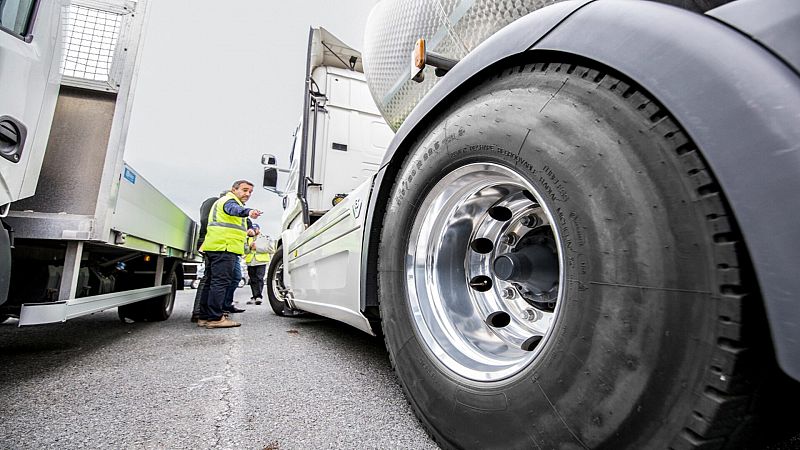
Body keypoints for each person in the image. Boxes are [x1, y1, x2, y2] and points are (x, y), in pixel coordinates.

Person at [197, 180, 262, 328]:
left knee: (211, 283)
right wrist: (249, 212)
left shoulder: (228, 201)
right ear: (234, 189)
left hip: (216, 246)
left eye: (250, 192)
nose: (248, 194)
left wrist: (250, 228)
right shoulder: (229, 201)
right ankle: (215, 318)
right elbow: (233, 210)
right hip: (224, 248)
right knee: (220, 283)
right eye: (244, 190)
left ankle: (204, 317)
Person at [190, 192, 227, 322]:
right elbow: (207, 221)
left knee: (210, 277)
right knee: (209, 277)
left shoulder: (210, 202)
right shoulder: (216, 202)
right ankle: (200, 312)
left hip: (207, 240)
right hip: (210, 240)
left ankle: (201, 312)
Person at [244, 223, 274, 305]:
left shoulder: (265, 238)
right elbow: (245, 251)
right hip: (250, 261)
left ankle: (259, 297)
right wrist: (249, 247)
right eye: (252, 229)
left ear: (258, 229)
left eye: (255, 229)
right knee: (252, 280)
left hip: (261, 261)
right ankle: (254, 296)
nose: (253, 230)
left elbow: (271, 249)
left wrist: (257, 248)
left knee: (259, 278)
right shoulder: (247, 238)